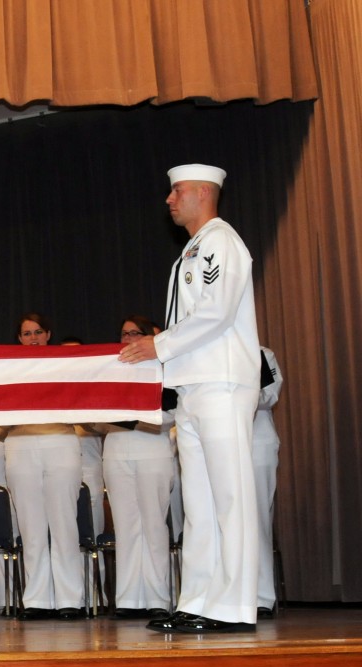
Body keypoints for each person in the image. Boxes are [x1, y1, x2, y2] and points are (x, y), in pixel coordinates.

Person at [120, 164, 262, 634]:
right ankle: (200, 599)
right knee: (199, 505)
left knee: (230, 497)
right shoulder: (193, 250)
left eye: (176, 191)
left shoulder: (222, 241)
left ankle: (235, 603)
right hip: (194, 387)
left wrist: (157, 346)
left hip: (221, 383)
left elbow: (216, 312)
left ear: (203, 192)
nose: (169, 199)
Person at [3, 313, 85, 620]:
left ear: (49, 334)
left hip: (60, 440)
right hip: (21, 444)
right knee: (31, 527)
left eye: (38, 332)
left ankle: (69, 599)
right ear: (19, 339)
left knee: (64, 522)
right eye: (26, 333)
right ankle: (36, 599)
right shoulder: (8, 368)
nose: (33, 337)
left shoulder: (66, 364)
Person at [99, 316, 176, 618]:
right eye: (124, 333)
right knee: (126, 526)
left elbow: (171, 413)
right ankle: (130, 599)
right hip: (117, 451)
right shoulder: (108, 370)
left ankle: (157, 598)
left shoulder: (163, 370)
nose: (129, 338)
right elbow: (95, 418)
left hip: (153, 450)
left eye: (135, 333)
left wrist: (134, 417)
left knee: (153, 524)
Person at [254, 346, 282, 618]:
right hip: (221, 447)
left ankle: (261, 596)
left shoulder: (261, 353)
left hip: (256, 446)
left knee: (257, 520)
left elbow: (270, 394)